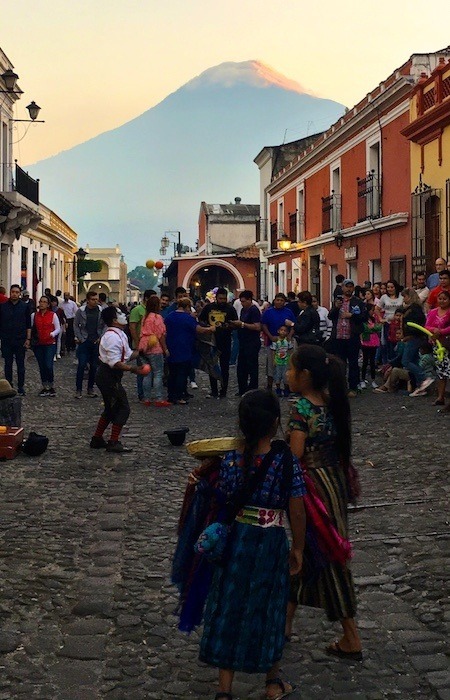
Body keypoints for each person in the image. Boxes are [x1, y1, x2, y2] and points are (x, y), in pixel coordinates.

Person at [199, 390, 306, 700]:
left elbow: (225, 494)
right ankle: (272, 683)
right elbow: (296, 509)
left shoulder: (232, 458)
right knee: (270, 605)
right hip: (270, 540)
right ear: (276, 423)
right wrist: (298, 548)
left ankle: (224, 690)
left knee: (228, 605)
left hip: (237, 539)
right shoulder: (286, 461)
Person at [285, 345, 362, 660]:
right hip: (334, 482)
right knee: (308, 552)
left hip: (312, 489)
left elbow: (296, 456)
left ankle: (351, 636)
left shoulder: (301, 408)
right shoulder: (332, 403)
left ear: (304, 376)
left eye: (291, 369)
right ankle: (284, 624)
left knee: (327, 554)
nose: (287, 374)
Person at [90, 306, 145, 453]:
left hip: (110, 375)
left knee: (110, 408)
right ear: (114, 320)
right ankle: (113, 441)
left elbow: (127, 355)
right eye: (119, 314)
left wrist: (140, 351)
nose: (124, 316)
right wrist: (133, 369)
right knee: (123, 408)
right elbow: (115, 363)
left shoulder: (119, 334)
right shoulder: (112, 337)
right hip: (107, 376)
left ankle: (97, 439)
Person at [164, 297, 215, 405]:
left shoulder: (169, 317)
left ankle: (171, 395)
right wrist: (210, 329)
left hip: (171, 348)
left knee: (172, 374)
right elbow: (199, 330)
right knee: (182, 373)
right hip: (184, 348)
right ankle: (179, 396)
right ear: (187, 307)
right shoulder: (187, 318)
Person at [328, 280, 367, 397]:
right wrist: (335, 308)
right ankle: (341, 386)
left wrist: (352, 316)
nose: (349, 289)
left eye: (351, 287)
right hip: (338, 337)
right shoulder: (337, 301)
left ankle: (353, 387)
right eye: (347, 287)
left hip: (352, 337)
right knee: (340, 364)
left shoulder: (357, 302)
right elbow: (330, 316)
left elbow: (364, 317)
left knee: (353, 363)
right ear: (343, 288)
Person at [199, 287, 238, 398]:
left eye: (224, 298)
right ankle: (214, 390)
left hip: (225, 341)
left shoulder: (230, 309)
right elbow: (201, 320)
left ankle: (224, 390)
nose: (222, 301)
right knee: (212, 366)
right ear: (216, 298)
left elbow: (235, 323)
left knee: (225, 367)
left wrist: (228, 325)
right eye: (220, 298)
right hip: (212, 341)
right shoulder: (208, 308)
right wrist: (207, 327)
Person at [138, 295, 170, 407]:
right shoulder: (157, 317)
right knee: (158, 373)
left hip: (143, 346)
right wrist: (165, 349)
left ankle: (146, 398)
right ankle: (159, 398)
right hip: (154, 346)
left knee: (147, 374)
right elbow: (160, 335)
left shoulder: (145, 317)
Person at [0, 284, 32, 396]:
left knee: (20, 365)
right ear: (10, 292)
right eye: (13, 292)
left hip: (20, 340)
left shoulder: (24, 307)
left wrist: (28, 339)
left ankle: (21, 386)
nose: (14, 294)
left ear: (20, 294)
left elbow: (28, 324)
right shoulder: (3, 306)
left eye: (17, 292)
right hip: (6, 340)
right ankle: (9, 386)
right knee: (8, 364)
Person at [401, 288, 433, 397]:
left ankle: (424, 378)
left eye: (404, 296)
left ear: (409, 297)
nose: (403, 299)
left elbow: (415, 325)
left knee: (406, 361)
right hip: (414, 337)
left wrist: (408, 335)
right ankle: (420, 386)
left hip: (414, 337)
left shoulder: (414, 309)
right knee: (414, 360)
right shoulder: (414, 308)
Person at [74, 290, 105, 399]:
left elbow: (104, 325)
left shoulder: (101, 311)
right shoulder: (81, 311)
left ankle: (90, 389)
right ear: (88, 300)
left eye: (96, 299)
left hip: (95, 342)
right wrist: (80, 338)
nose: (95, 301)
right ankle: (78, 389)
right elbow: (76, 325)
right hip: (84, 342)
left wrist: (100, 337)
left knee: (94, 367)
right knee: (81, 365)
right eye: (93, 299)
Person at [230, 290, 262, 396]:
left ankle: (252, 388)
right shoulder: (244, 310)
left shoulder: (254, 310)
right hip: (243, 341)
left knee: (252, 367)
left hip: (252, 342)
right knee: (241, 367)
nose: (242, 304)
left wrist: (242, 324)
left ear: (249, 300)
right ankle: (242, 388)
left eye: (243, 301)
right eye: (241, 301)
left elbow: (257, 327)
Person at [261, 294, 296, 391]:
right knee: (271, 364)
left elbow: (294, 325)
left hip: (286, 343)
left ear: (284, 302)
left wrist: (289, 335)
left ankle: (287, 385)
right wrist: (270, 336)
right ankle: (270, 385)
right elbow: (264, 325)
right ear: (274, 301)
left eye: (281, 300)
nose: (279, 302)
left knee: (287, 363)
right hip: (273, 341)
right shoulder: (268, 312)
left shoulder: (288, 312)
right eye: (277, 300)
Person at [31, 296, 60, 397]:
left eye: (44, 302)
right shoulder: (34, 315)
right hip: (38, 344)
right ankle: (45, 386)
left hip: (49, 344)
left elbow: (58, 328)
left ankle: (51, 384)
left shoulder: (53, 315)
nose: (42, 304)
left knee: (48, 364)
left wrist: (52, 334)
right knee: (41, 365)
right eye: (40, 301)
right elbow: (32, 328)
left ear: (48, 305)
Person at [425, 290, 450, 409]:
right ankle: (440, 397)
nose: (442, 301)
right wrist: (434, 330)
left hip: (448, 345)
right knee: (440, 371)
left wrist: (442, 331)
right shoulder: (433, 312)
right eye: (440, 299)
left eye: (445, 299)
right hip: (437, 345)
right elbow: (427, 325)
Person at [129, 289, 155, 401]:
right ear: (146, 298)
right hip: (140, 344)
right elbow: (132, 327)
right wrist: (137, 343)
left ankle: (147, 392)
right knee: (142, 369)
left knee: (152, 370)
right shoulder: (137, 310)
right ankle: (142, 394)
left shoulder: (153, 311)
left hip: (152, 345)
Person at [378, 280, 403, 362]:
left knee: (398, 343)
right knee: (388, 344)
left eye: (392, 287)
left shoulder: (401, 296)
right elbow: (376, 309)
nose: (390, 289)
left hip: (399, 323)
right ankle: (387, 363)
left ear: (395, 287)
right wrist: (380, 318)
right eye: (388, 287)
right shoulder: (384, 297)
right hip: (388, 323)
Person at [359, 304, 381, 389]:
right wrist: (373, 328)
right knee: (365, 361)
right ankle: (363, 379)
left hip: (374, 342)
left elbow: (378, 327)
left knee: (372, 361)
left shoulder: (373, 319)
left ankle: (373, 379)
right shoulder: (363, 320)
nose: (373, 312)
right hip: (366, 341)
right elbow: (366, 328)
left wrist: (374, 327)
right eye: (372, 310)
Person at [270, 324, 292, 396]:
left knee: (285, 377)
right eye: (281, 330)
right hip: (278, 361)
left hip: (285, 361)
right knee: (277, 376)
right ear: (278, 331)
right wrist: (273, 360)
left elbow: (290, 350)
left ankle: (286, 389)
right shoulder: (275, 340)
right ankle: (278, 389)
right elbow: (273, 351)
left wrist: (290, 360)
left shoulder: (288, 341)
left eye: (285, 331)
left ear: (287, 333)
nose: (283, 332)